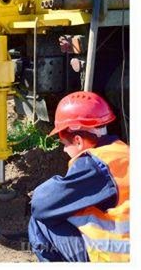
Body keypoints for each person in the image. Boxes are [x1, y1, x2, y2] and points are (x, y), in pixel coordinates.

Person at [28, 91, 129, 262]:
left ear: (78, 141)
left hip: (119, 256)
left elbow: (42, 204)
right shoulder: (122, 152)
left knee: (39, 222)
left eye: (65, 144)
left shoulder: (96, 165)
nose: (64, 150)